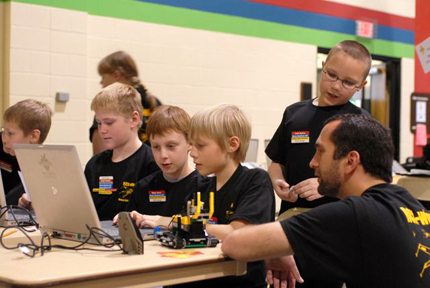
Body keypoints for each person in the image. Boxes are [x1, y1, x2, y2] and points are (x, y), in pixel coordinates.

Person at [219, 114, 430, 288]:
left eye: (320, 152)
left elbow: (234, 244)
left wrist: (270, 249)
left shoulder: (355, 214)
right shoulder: (410, 204)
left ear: (350, 161)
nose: (312, 162)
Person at [175, 104, 275, 287]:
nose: (192, 153)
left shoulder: (255, 181)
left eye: (201, 145)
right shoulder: (200, 185)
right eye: (191, 145)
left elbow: (238, 233)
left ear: (232, 144)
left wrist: (189, 226)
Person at [266, 40, 371, 214]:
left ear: (361, 85)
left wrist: (327, 186)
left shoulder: (362, 123)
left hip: (339, 217)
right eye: (331, 74)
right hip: (292, 215)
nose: (336, 86)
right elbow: (277, 161)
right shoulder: (294, 114)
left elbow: (369, 183)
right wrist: (277, 181)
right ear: (323, 66)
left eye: (348, 82)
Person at [113, 105, 207, 228]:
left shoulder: (205, 187)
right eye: (156, 147)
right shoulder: (142, 188)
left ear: (190, 143)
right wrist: (127, 219)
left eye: (171, 146)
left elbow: (210, 230)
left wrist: (166, 222)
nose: (163, 155)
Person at [84, 83, 159, 221]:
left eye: (109, 122)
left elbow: (154, 216)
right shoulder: (94, 165)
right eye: (99, 123)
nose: (102, 130)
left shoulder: (152, 164)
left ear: (134, 119)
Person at [90, 51, 162, 155]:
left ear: (116, 75)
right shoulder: (155, 101)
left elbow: (100, 155)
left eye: (103, 77)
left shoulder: (108, 106)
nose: (101, 82)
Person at [0, 99, 53, 206]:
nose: (4, 139)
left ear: (33, 136)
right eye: (3, 131)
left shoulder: (44, 167)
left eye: (10, 133)